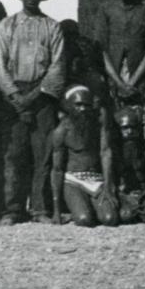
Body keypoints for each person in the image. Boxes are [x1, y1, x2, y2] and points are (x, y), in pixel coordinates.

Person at [0, 0, 66, 225]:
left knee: (42, 153)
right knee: (14, 154)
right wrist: (15, 96)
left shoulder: (52, 26)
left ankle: (40, 208)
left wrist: (34, 96)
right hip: (13, 96)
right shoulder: (7, 25)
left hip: (42, 96)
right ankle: (13, 209)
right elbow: (0, 65)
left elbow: (57, 66)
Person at [50, 85, 118, 227]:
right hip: (73, 181)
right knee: (84, 219)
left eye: (86, 105)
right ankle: (81, 205)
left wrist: (108, 185)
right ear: (69, 106)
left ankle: (92, 205)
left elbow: (105, 152)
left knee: (110, 219)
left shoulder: (98, 123)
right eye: (78, 104)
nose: (82, 109)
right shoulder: (61, 131)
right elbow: (57, 169)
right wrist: (56, 211)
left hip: (96, 180)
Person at [108, 107, 145, 224]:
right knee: (126, 216)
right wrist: (126, 198)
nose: (130, 132)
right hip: (123, 195)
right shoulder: (113, 151)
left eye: (133, 127)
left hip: (144, 193)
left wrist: (140, 197)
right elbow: (111, 184)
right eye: (125, 128)